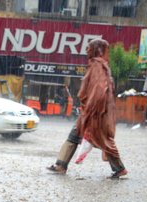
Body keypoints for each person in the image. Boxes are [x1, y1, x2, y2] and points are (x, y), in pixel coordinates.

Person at [47, 38, 127, 179]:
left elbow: (99, 90)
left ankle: (119, 169)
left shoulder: (97, 66)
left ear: (97, 50)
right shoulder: (100, 65)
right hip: (92, 111)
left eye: (89, 48)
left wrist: (91, 110)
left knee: (104, 140)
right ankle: (61, 164)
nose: (86, 51)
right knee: (76, 136)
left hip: (94, 112)